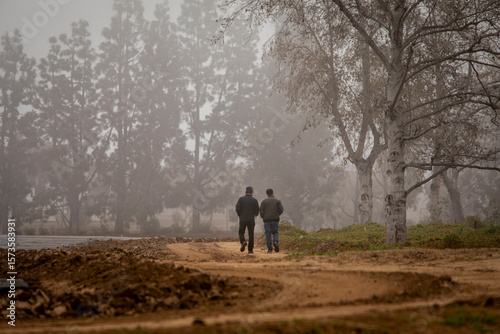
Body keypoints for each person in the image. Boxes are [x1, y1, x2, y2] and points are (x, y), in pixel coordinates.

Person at [235, 186, 259, 254]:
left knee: (241, 232)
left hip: (242, 219)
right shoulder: (254, 200)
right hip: (251, 219)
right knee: (251, 234)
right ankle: (250, 250)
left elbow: (237, 208)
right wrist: (254, 215)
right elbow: (257, 210)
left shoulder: (241, 199)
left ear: (245, 192)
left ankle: (243, 241)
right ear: (252, 192)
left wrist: (240, 215)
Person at [259, 188, 284, 254]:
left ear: (267, 194)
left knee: (268, 235)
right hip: (275, 220)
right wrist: (277, 214)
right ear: (273, 193)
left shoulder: (264, 202)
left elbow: (261, 211)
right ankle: (275, 242)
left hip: (267, 221)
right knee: (275, 232)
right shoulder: (277, 201)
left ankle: (270, 250)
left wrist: (264, 217)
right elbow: (281, 209)